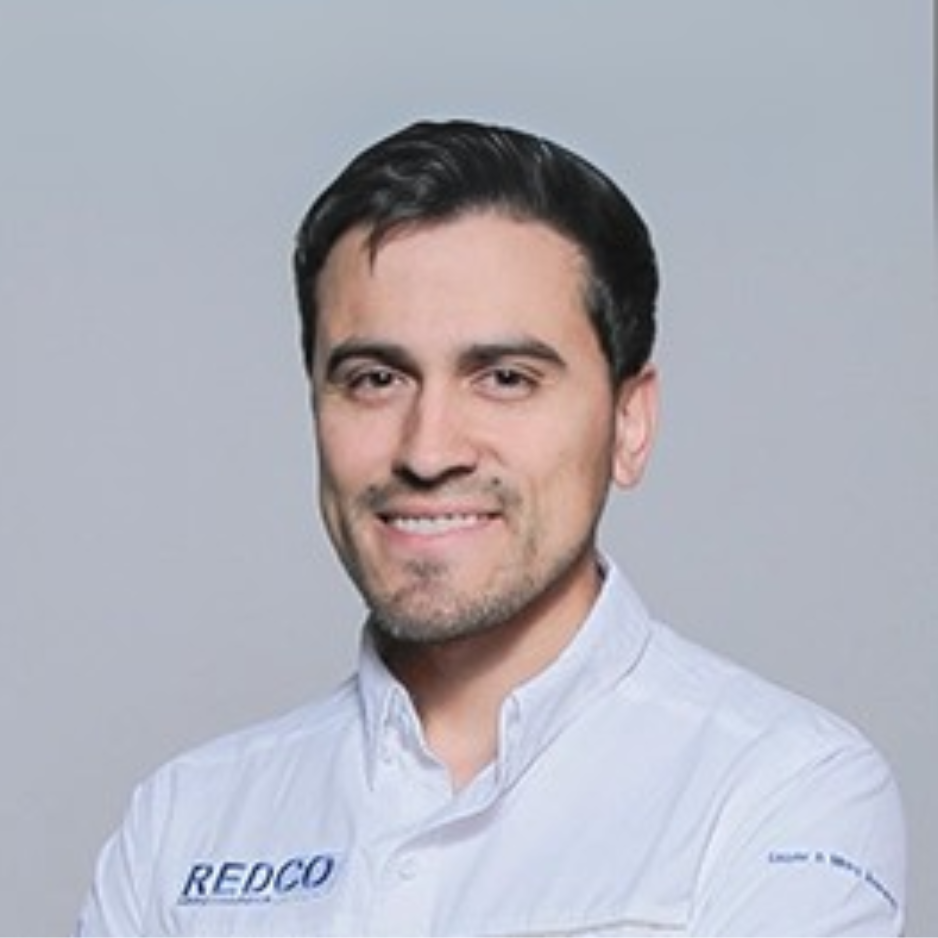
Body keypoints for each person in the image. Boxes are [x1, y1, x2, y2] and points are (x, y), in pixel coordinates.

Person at [73, 119, 906, 937]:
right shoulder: (183, 825)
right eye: (375, 379)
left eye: (505, 378)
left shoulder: (779, 791)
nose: (428, 450)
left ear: (629, 423)